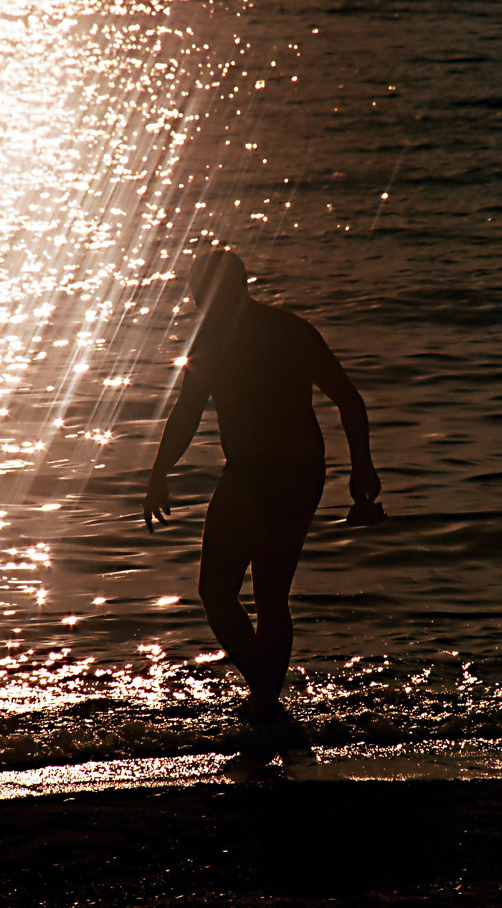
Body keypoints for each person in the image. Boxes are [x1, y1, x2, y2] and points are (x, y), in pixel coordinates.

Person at [143, 248, 381, 722]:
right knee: (272, 598)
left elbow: (187, 413)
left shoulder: (210, 345)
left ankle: (268, 702)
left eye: (197, 293)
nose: (194, 302)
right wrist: (361, 469)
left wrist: (158, 473)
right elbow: (350, 401)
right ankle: (268, 702)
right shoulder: (293, 330)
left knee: (216, 591)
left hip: (255, 472)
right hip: (307, 471)